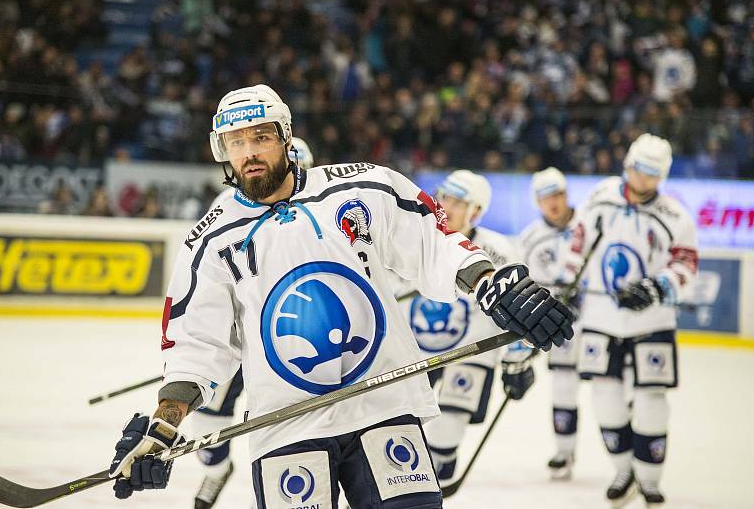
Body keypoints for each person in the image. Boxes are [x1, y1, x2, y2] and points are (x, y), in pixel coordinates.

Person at [107, 84, 573, 509]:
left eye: (261, 137)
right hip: (286, 424)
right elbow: (196, 345)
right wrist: (164, 426)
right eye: (236, 142)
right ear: (221, 150)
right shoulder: (210, 240)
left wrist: (491, 282)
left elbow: (434, 244)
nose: (249, 153)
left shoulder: (362, 187)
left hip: (383, 406)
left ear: (287, 138)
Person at [566, 134, 698, 507]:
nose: (645, 180)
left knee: (651, 401)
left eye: (654, 174)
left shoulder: (675, 215)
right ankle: (623, 470)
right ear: (628, 165)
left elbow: (686, 264)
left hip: (652, 322)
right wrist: (569, 282)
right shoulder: (600, 197)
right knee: (605, 398)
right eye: (640, 170)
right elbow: (577, 245)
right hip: (601, 318)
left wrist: (658, 287)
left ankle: (650, 477)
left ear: (663, 176)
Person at [191, 135, 315, 509]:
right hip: (237, 337)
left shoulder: (319, 204)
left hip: (290, 338)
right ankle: (216, 471)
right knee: (207, 428)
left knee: (292, 426)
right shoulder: (225, 209)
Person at [394, 170, 535, 488]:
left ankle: (431, 490)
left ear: (478, 211)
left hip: (470, 352)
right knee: (400, 429)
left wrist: (517, 357)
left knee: (449, 428)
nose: (447, 206)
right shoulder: (413, 237)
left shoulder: (498, 251)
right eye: (445, 197)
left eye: (459, 202)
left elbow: (514, 307)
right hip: (413, 354)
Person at [518, 167, 582, 480]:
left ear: (566, 194)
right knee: (563, 386)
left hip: (598, 321)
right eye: (545, 198)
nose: (553, 203)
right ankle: (564, 451)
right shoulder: (530, 238)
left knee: (614, 390)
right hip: (561, 326)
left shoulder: (590, 225)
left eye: (557, 194)